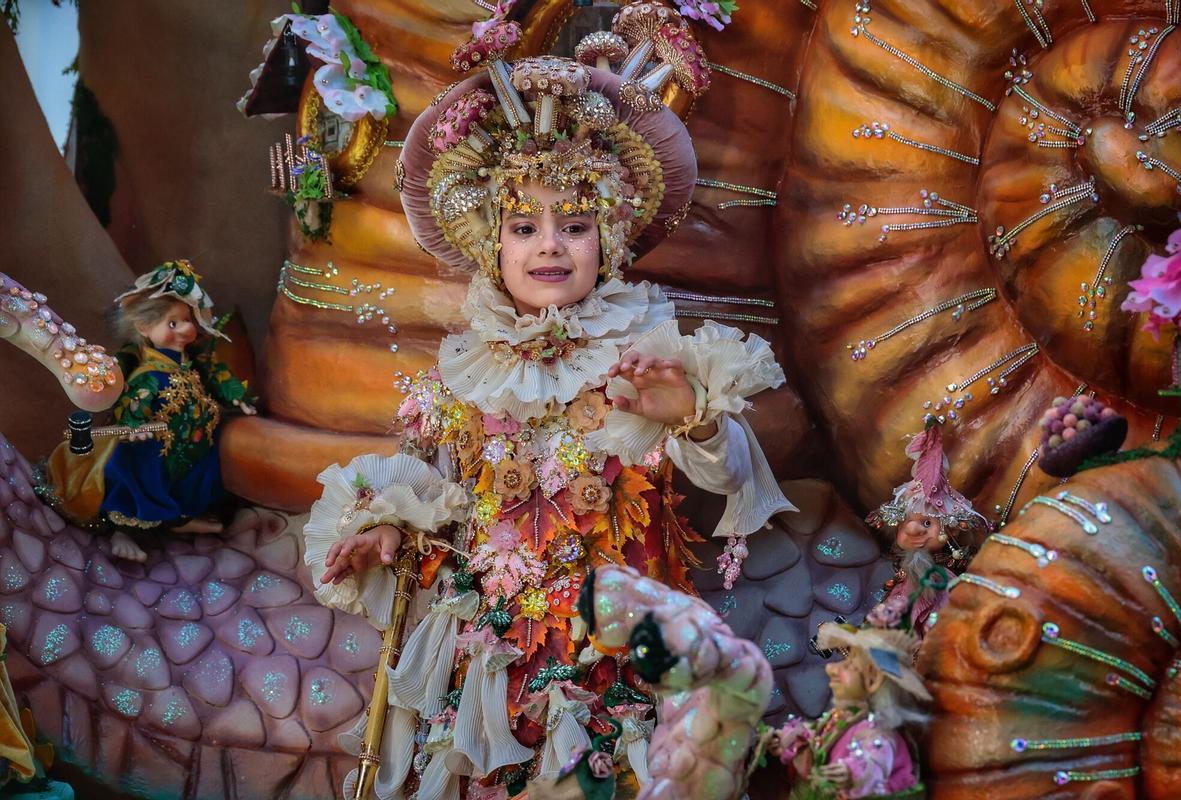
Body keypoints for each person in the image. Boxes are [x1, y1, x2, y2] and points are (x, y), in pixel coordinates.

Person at [301, 6, 794, 797]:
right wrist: (392, 530)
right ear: (493, 246)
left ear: (612, 240)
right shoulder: (464, 370)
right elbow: (440, 495)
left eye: (575, 224)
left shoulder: (647, 354)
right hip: (493, 672)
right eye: (524, 226)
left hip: (618, 669)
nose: (550, 246)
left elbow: (732, 475)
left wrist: (693, 417)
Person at [39, 260, 254, 561]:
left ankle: (180, 518)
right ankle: (123, 531)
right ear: (143, 327)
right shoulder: (148, 374)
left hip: (192, 439)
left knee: (196, 476)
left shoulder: (192, 361)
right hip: (153, 443)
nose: (187, 329)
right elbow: (134, 402)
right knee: (141, 478)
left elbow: (216, 376)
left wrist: (237, 397)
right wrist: (132, 425)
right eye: (173, 323)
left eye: (189, 320)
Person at [772, 624, 929, 800]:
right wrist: (788, 738)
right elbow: (817, 736)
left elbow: (875, 763)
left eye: (849, 665)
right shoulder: (844, 718)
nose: (831, 669)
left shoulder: (878, 734)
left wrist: (851, 772)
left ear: (873, 681)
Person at [865, 422, 986, 637]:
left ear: (953, 530)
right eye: (905, 522)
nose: (912, 530)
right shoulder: (909, 577)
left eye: (927, 523)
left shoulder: (940, 579)